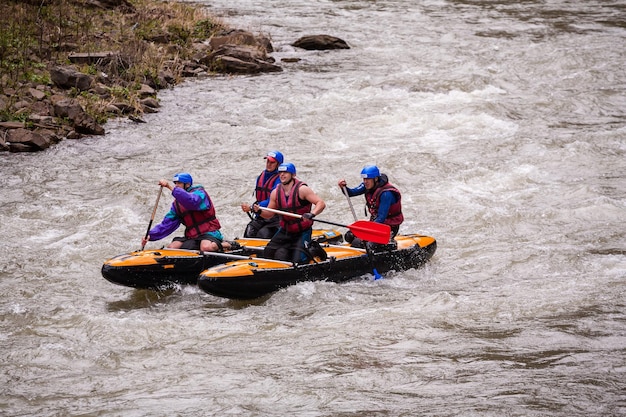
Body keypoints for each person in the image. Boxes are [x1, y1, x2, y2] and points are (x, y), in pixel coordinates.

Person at [253, 162, 326, 263]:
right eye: (280, 172)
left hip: (302, 231)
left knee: (299, 260)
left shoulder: (302, 189)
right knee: (268, 253)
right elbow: (269, 214)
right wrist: (259, 211)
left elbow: (320, 203)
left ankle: (314, 250)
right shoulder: (275, 192)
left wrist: (312, 214)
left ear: (293, 175)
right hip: (285, 230)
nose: (282, 175)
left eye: (286, 172)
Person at [141, 172, 231, 252]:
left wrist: (169, 187)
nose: (176, 185)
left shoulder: (200, 194)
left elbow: (191, 201)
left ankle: (227, 245)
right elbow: (167, 224)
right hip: (192, 236)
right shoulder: (177, 204)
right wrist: (150, 235)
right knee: (171, 248)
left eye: (179, 183)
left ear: (187, 184)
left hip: (210, 232)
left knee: (205, 247)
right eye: (175, 183)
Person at [338, 165, 404, 247]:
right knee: (349, 236)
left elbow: (381, 218)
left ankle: (389, 244)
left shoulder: (386, 194)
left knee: (360, 243)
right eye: (364, 179)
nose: (365, 181)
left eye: (368, 179)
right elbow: (351, 193)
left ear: (375, 179)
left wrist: (366, 233)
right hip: (375, 224)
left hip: (389, 228)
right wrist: (344, 187)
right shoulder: (368, 185)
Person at [240, 150, 284, 238]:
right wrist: (254, 207)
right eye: (268, 161)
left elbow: (272, 200)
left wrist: (254, 207)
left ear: (278, 164)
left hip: (275, 218)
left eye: (272, 162)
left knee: (263, 234)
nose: (269, 164)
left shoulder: (280, 179)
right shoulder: (262, 175)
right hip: (261, 214)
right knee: (250, 229)